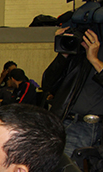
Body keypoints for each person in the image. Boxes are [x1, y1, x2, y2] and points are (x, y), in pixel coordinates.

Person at [43, 28, 103, 157]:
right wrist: (63, 52)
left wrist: (94, 60)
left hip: (99, 129)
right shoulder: (77, 53)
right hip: (73, 125)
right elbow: (48, 84)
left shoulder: (94, 56)